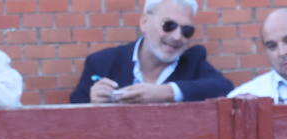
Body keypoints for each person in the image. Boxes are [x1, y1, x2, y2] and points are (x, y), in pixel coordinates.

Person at [70, 0, 232, 104]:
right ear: (145, 22)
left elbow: (225, 89)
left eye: (186, 30)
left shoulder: (192, 61)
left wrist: (168, 92)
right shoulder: (102, 63)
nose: (177, 37)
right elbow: (72, 117)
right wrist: (91, 103)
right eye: (168, 25)